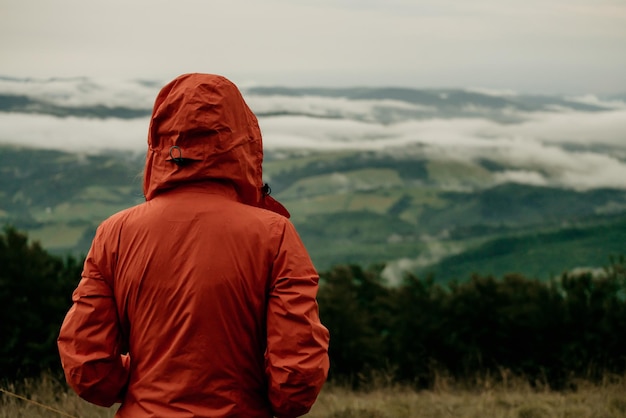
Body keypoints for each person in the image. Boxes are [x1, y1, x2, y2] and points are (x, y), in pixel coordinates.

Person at [57, 73, 330, 418]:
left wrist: (144, 385)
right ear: (243, 141)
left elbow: (87, 364)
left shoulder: (114, 233)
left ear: (161, 143)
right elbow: (297, 377)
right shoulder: (274, 235)